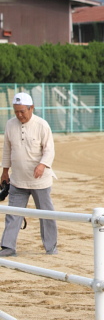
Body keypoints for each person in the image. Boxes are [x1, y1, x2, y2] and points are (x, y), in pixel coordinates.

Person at [0, 92, 58, 258]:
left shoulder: (42, 125)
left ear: (31, 108)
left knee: (46, 214)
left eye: (22, 111)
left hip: (40, 181)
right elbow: (7, 150)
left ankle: (51, 248)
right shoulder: (10, 125)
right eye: (16, 111)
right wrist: (5, 171)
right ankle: (8, 247)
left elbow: (49, 150)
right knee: (13, 214)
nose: (19, 115)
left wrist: (42, 165)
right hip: (17, 180)